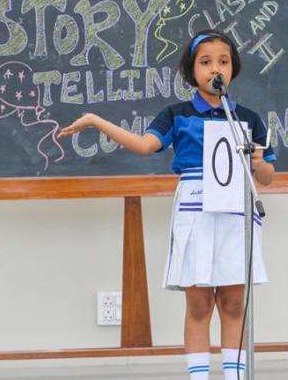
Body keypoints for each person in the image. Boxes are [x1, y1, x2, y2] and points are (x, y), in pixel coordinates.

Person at [58, 29, 276, 380]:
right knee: (199, 303)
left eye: (223, 61)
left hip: (236, 212)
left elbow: (266, 177)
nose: (215, 69)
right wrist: (97, 121)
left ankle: (235, 377)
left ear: (233, 68)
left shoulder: (248, 119)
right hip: (196, 211)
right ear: (192, 70)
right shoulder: (177, 114)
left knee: (234, 303)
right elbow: (145, 145)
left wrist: (258, 162)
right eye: (205, 62)